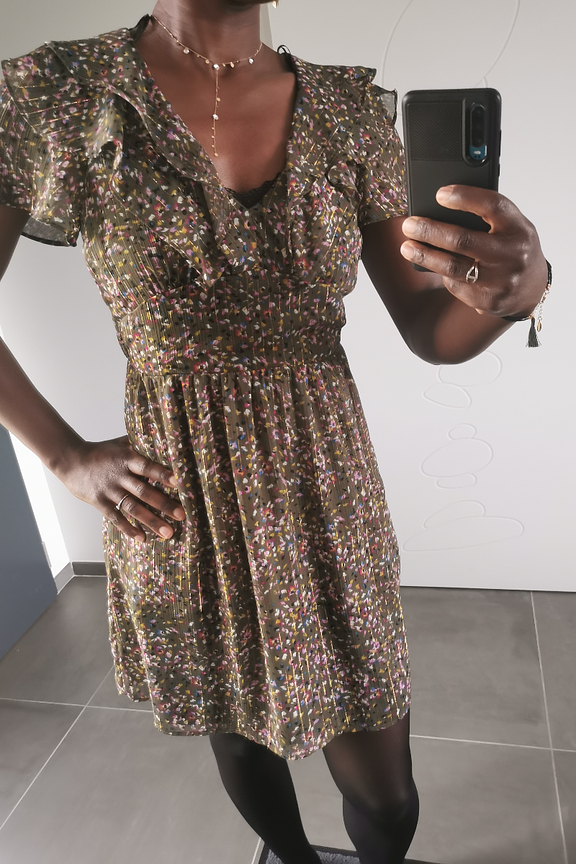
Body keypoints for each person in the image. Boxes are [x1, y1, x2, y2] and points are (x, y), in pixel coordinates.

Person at [0, 2, 549, 863]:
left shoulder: (346, 111)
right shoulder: (57, 93)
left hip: (326, 484)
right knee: (238, 724)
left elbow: (431, 330)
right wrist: (64, 455)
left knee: (386, 791)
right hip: (182, 492)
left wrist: (520, 292)